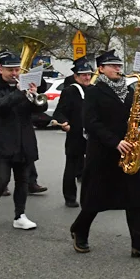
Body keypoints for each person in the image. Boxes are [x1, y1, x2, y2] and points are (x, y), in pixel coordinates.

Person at [70, 50, 140, 259]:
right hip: (102, 152)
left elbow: (131, 118)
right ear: (101, 69)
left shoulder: (128, 92)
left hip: (128, 150)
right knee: (95, 198)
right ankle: (80, 230)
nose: (118, 69)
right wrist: (114, 142)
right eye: (113, 66)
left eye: (119, 66)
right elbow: (91, 123)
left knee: (134, 199)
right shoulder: (93, 91)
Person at [0, 52, 46, 230]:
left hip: (23, 139)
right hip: (2, 140)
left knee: (22, 180)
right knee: (2, 180)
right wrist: (18, 94)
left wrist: (34, 96)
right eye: (10, 70)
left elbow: (39, 109)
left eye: (17, 69)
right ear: (0, 68)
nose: (15, 73)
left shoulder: (23, 86)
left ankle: (20, 216)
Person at [51, 57, 93, 208]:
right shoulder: (70, 91)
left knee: (93, 166)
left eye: (89, 74)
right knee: (71, 166)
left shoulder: (94, 90)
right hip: (75, 134)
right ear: (76, 76)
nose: (87, 77)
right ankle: (70, 197)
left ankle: (92, 196)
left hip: (92, 135)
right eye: (83, 75)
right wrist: (64, 123)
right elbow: (59, 112)